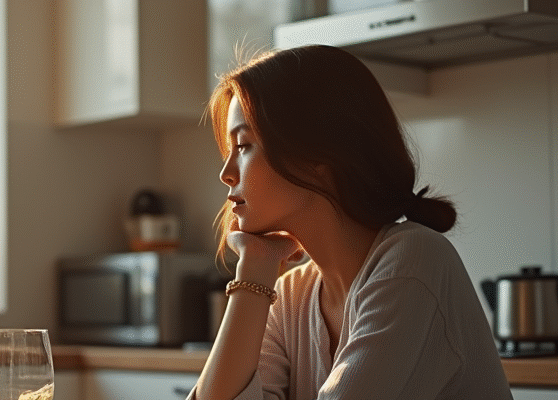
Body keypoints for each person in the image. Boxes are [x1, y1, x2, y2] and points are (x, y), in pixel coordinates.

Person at [188, 45, 512, 400]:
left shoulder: (413, 262)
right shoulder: (291, 296)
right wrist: (256, 268)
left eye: (244, 145)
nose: (226, 174)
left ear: (315, 156)